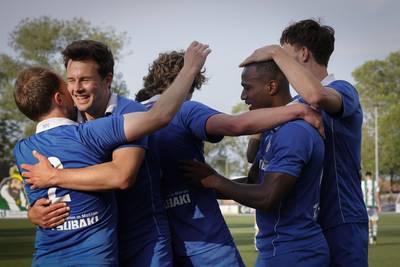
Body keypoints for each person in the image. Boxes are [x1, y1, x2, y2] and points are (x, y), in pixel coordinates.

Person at [20, 41, 210, 267]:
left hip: (143, 243)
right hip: (101, 245)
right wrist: (33, 212)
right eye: (71, 80)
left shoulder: (130, 113)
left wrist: (54, 176)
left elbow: (122, 176)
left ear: (107, 80)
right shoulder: (69, 123)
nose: (76, 88)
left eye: (85, 79)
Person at [137, 52, 326, 266]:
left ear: (272, 87)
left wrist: (215, 181)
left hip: (294, 250)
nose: (243, 96)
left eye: (247, 87)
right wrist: (210, 183)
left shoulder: (294, 132)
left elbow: (267, 195)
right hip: (264, 248)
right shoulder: (275, 131)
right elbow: (254, 178)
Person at [240, 19, 368, 266]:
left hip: (340, 216)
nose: (278, 64)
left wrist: (274, 52)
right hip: (306, 224)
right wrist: (266, 111)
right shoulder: (292, 105)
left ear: (304, 53)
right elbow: (252, 154)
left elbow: (316, 95)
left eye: (283, 56)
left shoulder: (342, 90)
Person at [361, 171, 381, 245]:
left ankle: (371, 238)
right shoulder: (374, 183)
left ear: (366, 176)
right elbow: (376, 195)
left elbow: (360, 195)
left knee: (368, 222)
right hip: (373, 205)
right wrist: (379, 205)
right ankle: (375, 236)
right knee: (374, 221)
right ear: (371, 176)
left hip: (365, 205)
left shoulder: (362, 183)